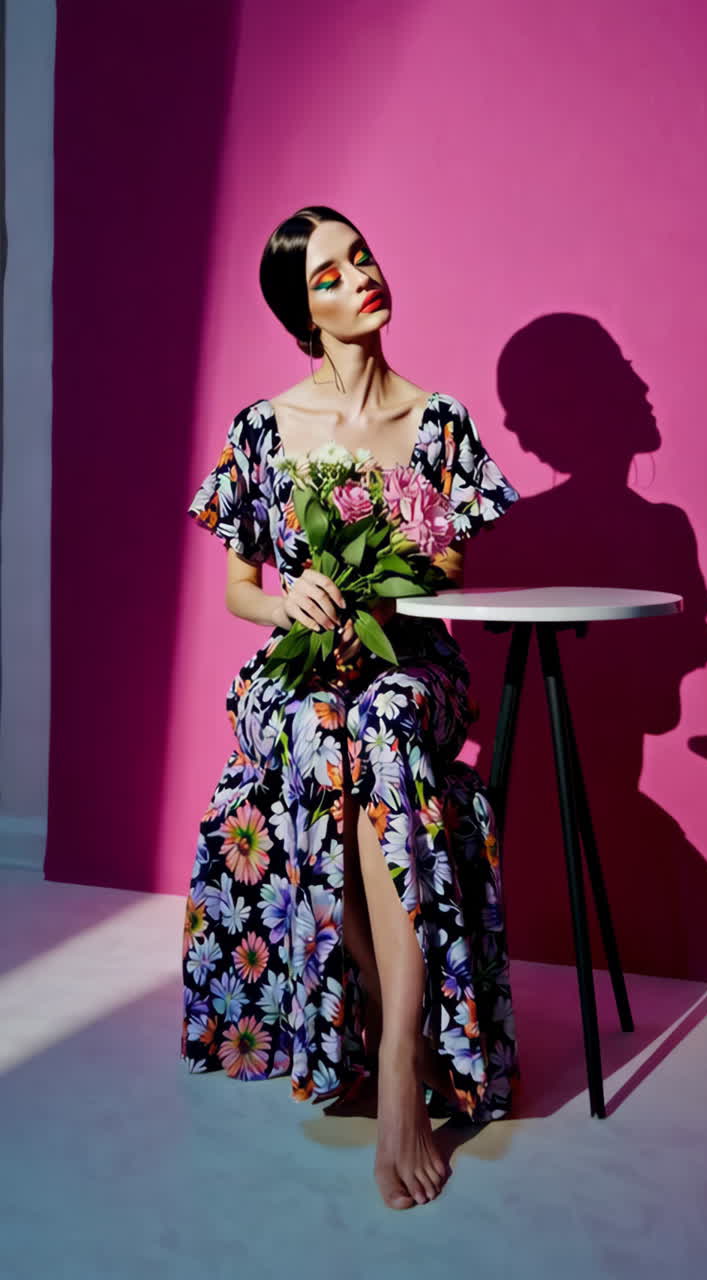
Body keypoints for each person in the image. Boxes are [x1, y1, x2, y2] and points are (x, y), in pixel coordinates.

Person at [181, 205, 521, 1211]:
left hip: (408, 660)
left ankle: (402, 1061)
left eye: (360, 257)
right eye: (327, 276)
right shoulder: (265, 426)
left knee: (373, 727)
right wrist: (289, 597)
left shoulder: (433, 420)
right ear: (301, 308)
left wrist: (375, 580)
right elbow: (241, 586)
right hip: (294, 665)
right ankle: (390, 1038)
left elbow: (442, 570)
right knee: (316, 727)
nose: (357, 279)